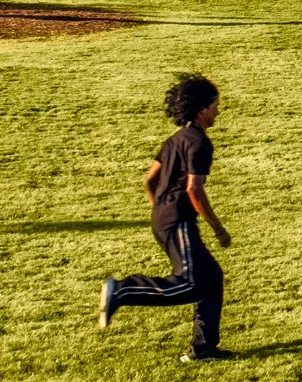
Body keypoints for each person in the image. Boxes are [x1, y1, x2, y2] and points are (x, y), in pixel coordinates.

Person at [98, 73, 233, 362]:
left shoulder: (174, 139)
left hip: (165, 218)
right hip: (177, 221)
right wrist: (218, 229)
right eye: (215, 105)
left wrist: (160, 210)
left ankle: (203, 349)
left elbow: (149, 181)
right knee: (190, 283)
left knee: (211, 278)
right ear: (201, 108)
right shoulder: (199, 143)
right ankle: (122, 290)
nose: (218, 110)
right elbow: (194, 190)